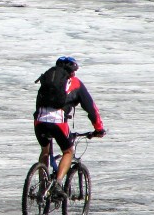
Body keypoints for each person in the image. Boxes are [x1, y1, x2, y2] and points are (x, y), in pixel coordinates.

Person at [34, 56, 105, 196]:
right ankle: (57, 185)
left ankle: (43, 185)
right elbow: (91, 109)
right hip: (58, 122)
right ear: (73, 71)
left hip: (39, 121)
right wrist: (99, 129)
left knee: (45, 151)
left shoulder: (48, 80)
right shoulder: (75, 83)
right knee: (68, 152)